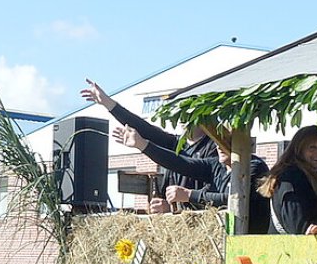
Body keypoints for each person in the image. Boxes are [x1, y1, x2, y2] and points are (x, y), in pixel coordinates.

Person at [81, 79, 271, 232]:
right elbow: (152, 137)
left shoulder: (221, 152)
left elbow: (225, 196)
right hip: (188, 227)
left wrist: (188, 196)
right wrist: (108, 103)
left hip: (211, 226)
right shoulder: (183, 147)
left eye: (187, 114)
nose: (181, 120)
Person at [259, 126, 317, 235]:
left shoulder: (314, 179)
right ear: (299, 149)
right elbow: (298, 225)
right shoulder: (292, 177)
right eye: (312, 148)